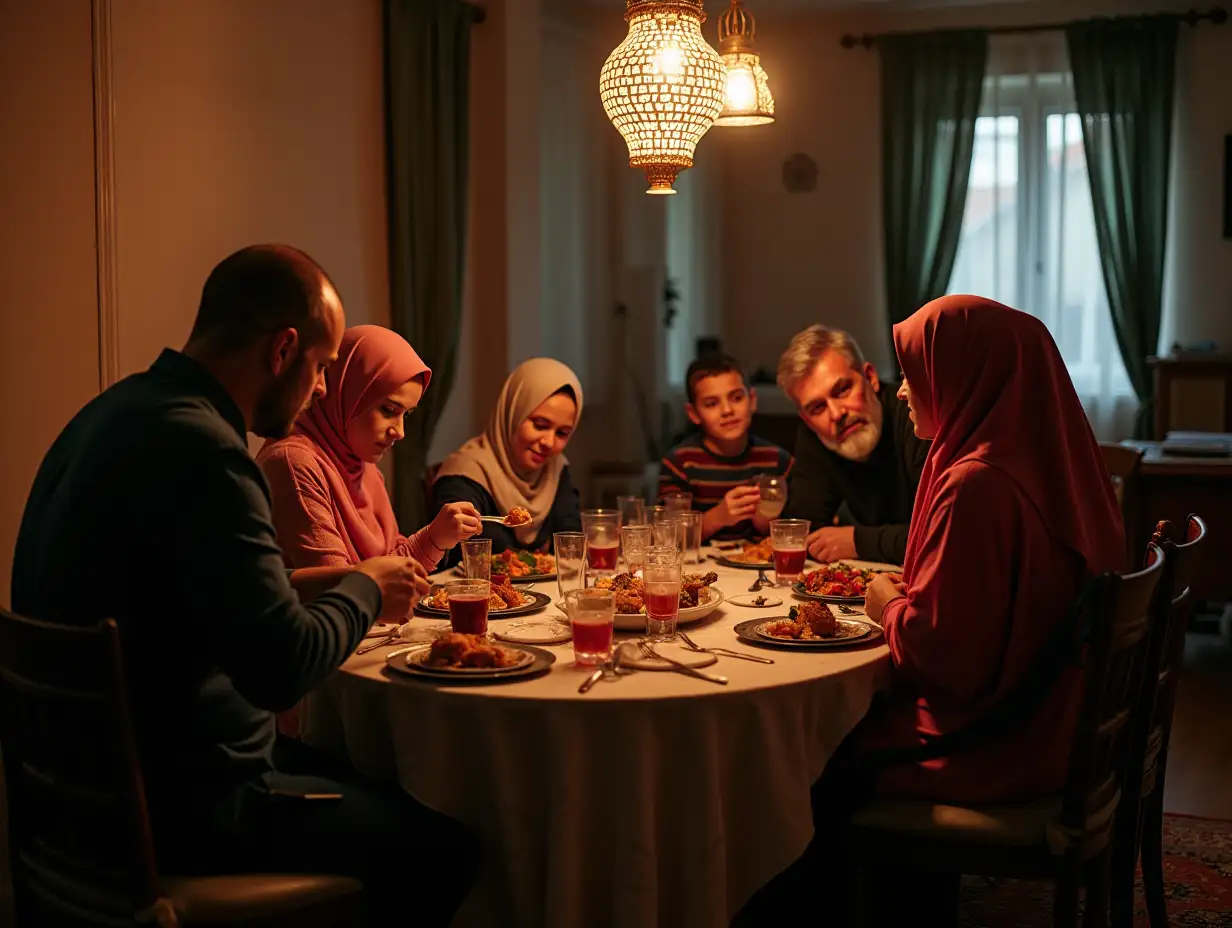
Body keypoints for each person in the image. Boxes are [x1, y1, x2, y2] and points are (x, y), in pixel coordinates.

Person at [10, 245, 477, 927]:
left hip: (78, 799)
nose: (321, 388)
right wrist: (367, 589)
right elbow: (281, 668)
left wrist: (336, 582)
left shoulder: (112, 414)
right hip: (187, 805)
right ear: (284, 350)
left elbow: (211, 596)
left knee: (375, 775)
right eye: (320, 368)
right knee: (450, 844)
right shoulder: (208, 453)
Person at [734, 296, 1125, 925]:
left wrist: (889, 603)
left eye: (916, 376)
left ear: (968, 374)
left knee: (805, 757)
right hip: (1058, 719)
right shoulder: (1034, 458)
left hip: (1004, 742)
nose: (902, 394)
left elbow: (941, 660)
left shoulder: (977, 483)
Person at [257, 324, 482, 573]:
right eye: (389, 410)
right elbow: (338, 589)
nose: (400, 432)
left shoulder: (364, 468)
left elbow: (393, 561)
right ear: (346, 391)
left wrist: (436, 539)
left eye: (405, 415)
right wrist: (432, 539)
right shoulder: (293, 463)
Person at [777, 325, 929, 565]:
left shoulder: (918, 419)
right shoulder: (816, 436)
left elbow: (949, 535)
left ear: (870, 378)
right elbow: (803, 530)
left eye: (843, 390)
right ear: (806, 419)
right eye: (817, 408)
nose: (836, 414)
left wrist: (859, 542)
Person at [431, 358, 583, 560]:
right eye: (540, 425)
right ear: (513, 413)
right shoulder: (466, 472)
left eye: (562, 433)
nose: (549, 442)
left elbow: (570, 545)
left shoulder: (556, 468)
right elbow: (458, 555)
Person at [657, 354, 793, 541]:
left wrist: (766, 520)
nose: (727, 410)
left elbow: (800, 531)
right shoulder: (680, 463)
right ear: (694, 413)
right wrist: (718, 517)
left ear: (752, 400)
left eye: (737, 398)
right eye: (711, 404)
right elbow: (668, 537)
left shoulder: (779, 461)